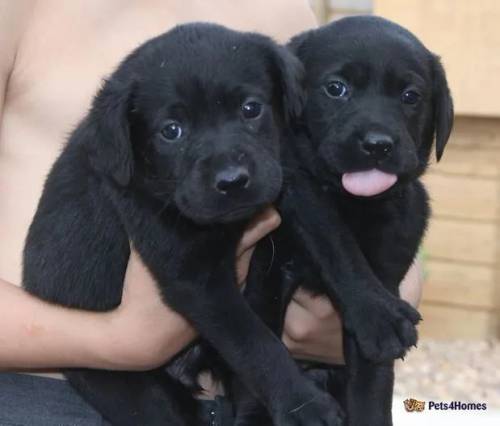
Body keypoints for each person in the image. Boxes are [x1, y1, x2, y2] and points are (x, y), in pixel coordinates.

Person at [0, 0, 423, 424]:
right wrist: (121, 341)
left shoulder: (284, 14)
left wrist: (372, 302)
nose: (231, 168)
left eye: (251, 110)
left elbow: (347, 183)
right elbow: (193, 281)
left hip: (260, 386)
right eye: (172, 131)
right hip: (62, 387)